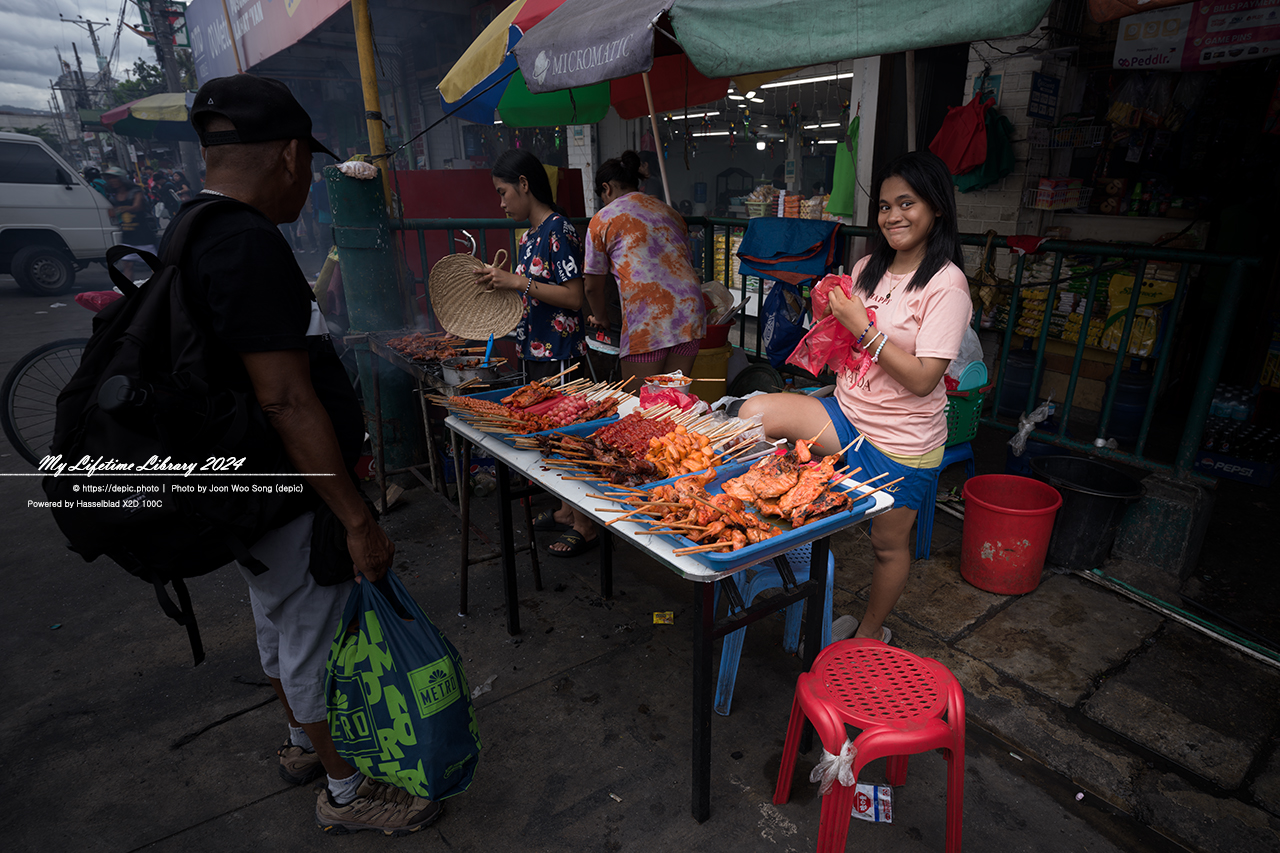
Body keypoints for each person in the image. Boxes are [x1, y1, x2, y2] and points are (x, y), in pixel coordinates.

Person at [169, 73, 441, 835]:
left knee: (279, 619)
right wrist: (356, 519)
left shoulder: (190, 225)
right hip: (290, 493)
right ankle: (348, 791)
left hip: (247, 493)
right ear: (291, 156)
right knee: (317, 639)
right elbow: (286, 399)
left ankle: (299, 742)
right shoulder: (246, 244)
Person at [741, 150, 972, 645]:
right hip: (846, 416)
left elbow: (924, 379)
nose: (893, 217)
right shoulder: (867, 266)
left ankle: (870, 633)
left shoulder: (947, 285)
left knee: (886, 547)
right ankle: (769, 537)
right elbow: (844, 342)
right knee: (754, 413)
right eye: (885, 207)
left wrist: (863, 329)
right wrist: (827, 312)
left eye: (906, 204)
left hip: (901, 444)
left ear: (936, 208)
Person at [473, 149, 596, 557]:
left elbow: (574, 298)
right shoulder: (528, 236)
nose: (501, 201)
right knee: (547, 437)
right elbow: (528, 291)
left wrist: (516, 282)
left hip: (561, 350)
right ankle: (564, 510)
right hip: (536, 350)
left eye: (503, 192)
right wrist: (502, 287)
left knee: (567, 435)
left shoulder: (559, 230)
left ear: (525, 184)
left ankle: (585, 524)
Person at [583, 150, 706, 384]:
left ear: (606, 189)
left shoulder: (603, 219)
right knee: (674, 399)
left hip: (648, 315)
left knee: (639, 403)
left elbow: (592, 287)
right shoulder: (669, 211)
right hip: (689, 311)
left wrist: (601, 318)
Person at [103, 166, 159, 281]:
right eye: (110, 179)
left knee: (155, 265)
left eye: (114, 178)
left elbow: (138, 206)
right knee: (127, 265)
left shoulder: (135, 192)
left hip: (143, 235)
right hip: (127, 236)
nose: (112, 181)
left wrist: (122, 209)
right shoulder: (113, 196)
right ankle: (130, 293)